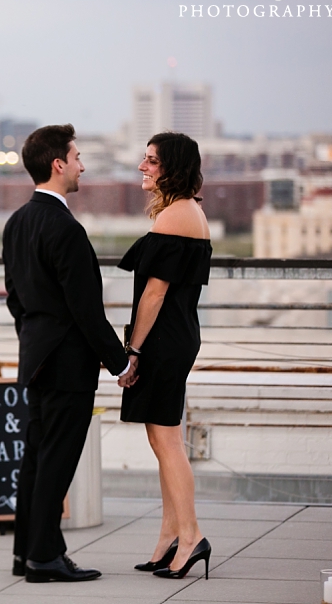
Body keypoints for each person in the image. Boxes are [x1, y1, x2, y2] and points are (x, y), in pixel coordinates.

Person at [3, 124, 136, 584]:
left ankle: (26, 554)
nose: (82, 165)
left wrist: (34, 338)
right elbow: (86, 310)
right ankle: (44, 557)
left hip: (35, 358)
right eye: (77, 157)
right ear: (58, 164)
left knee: (36, 459)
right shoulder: (67, 229)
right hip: (66, 365)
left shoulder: (17, 222)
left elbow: (15, 299)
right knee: (56, 462)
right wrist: (121, 362)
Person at [119, 132, 213, 580]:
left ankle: (191, 536)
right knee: (162, 441)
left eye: (152, 161)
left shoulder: (175, 216)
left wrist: (132, 349)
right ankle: (168, 535)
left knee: (168, 441)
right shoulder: (188, 211)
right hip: (176, 336)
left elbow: (154, 294)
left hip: (163, 339)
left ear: (171, 167)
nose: (143, 166)